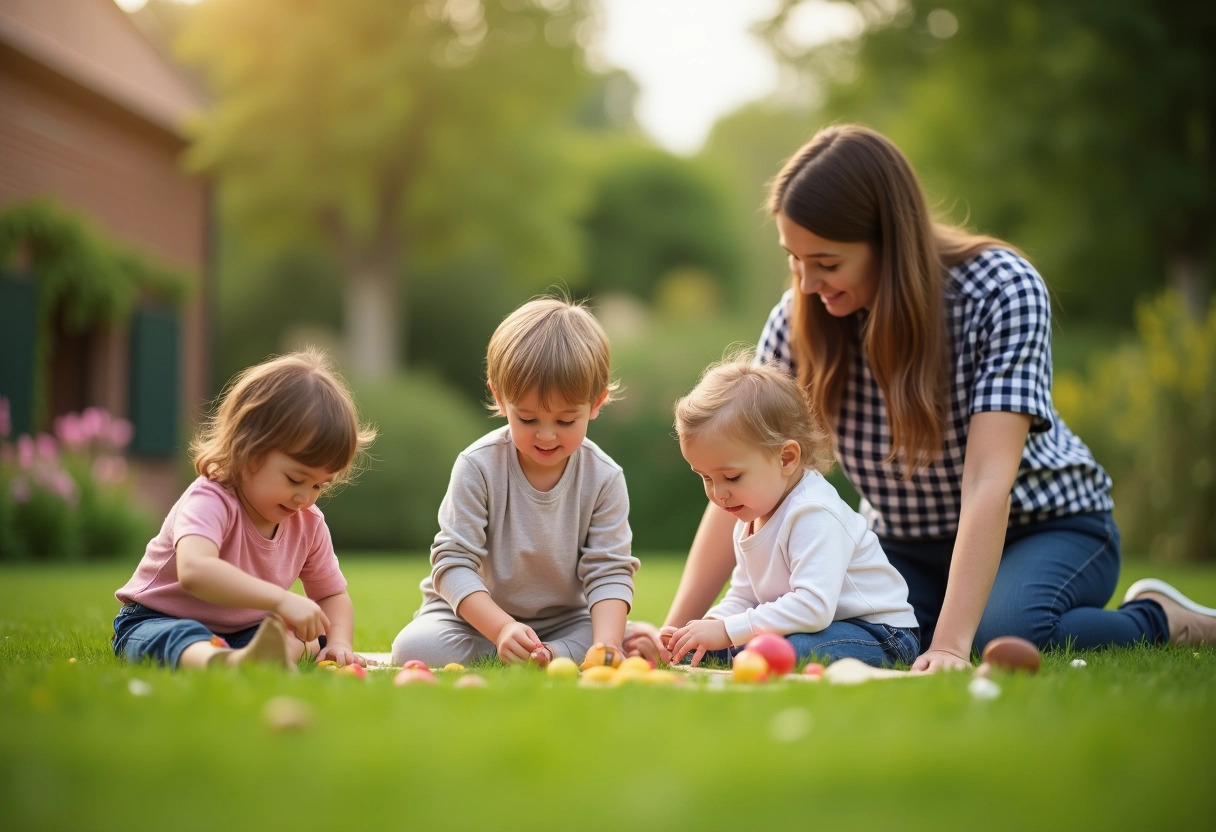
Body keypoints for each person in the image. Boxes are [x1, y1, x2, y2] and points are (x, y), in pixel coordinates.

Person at [628, 123, 1216, 672]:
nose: (806, 283)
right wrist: (679, 634)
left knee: (1000, 633)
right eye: (795, 260)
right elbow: (740, 471)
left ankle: (1160, 619)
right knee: (865, 634)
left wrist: (953, 645)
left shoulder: (1001, 289)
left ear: (889, 240)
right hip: (904, 543)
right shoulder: (797, 321)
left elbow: (989, 479)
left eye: (826, 262)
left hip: (1045, 524)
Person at [391, 296, 638, 668]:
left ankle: (558, 651)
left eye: (566, 421)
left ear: (597, 403)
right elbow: (452, 564)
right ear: (500, 398)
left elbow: (609, 569)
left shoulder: (604, 477)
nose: (547, 436)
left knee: (604, 636)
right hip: (475, 619)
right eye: (527, 419)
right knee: (414, 648)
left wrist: (605, 644)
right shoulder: (478, 466)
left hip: (565, 621)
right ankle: (536, 655)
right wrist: (502, 629)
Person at [112, 349, 377, 670]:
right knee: (178, 636)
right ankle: (221, 662)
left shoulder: (309, 523)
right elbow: (196, 571)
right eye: (296, 479)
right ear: (249, 449)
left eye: (319, 485)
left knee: (307, 636)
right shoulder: (211, 499)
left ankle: (253, 656)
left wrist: (338, 643)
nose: (305, 498)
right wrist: (280, 599)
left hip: (245, 631)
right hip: (161, 618)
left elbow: (331, 596)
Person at [663, 354, 920, 669]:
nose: (718, 493)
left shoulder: (814, 512)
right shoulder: (750, 513)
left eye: (731, 477)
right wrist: (704, 627)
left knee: (777, 650)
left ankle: (744, 656)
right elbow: (744, 597)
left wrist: (728, 631)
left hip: (879, 632)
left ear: (786, 458)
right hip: (817, 627)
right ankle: (717, 653)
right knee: (718, 648)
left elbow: (813, 607)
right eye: (705, 478)